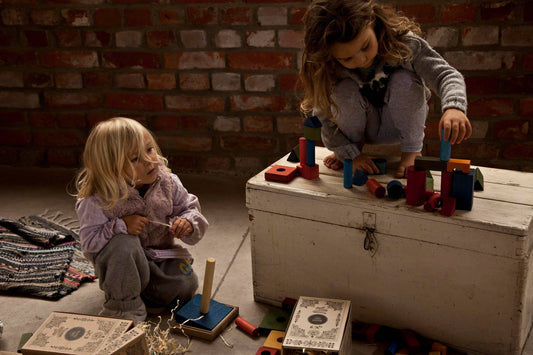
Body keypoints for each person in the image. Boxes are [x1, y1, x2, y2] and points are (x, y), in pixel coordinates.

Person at [299, 0, 472, 178]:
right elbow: (323, 115)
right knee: (342, 90)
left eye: (365, 46)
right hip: (358, 128)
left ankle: (412, 151)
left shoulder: (405, 44)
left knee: (404, 79)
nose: (361, 60)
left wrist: (454, 107)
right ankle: (352, 149)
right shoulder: (328, 66)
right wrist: (347, 152)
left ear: (372, 20)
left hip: (399, 123)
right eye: (348, 59)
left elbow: (446, 74)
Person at [74, 117, 208, 324]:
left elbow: (189, 208)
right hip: (120, 263)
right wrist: (121, 226)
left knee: (187, 285)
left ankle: (139, 290)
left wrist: (188, 222)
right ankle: (123, 304)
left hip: (158, 257)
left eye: (149, 150)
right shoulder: (97, 199)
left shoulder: (168, 182)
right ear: (111, 168)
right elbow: (90, 243)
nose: (149, 160)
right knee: (124, 242)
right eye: (135, 159)